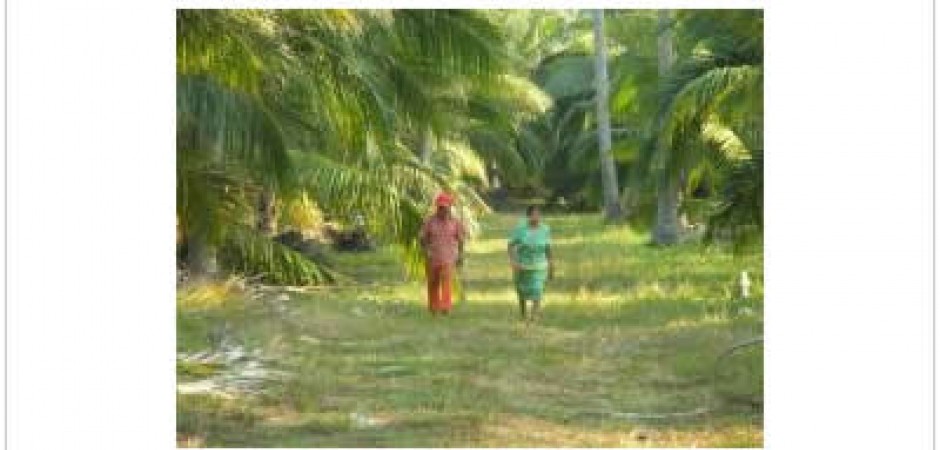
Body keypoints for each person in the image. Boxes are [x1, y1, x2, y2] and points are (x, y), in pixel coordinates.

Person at [419, 192, 466, 316]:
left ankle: (445, 307)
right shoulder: (429, 221)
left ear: (450, 208)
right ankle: (434, 307)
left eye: (445, 208)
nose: (442, 210)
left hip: (448, 258)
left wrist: (460, 255)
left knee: (446, 282)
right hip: (432, 258)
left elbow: (461, 240)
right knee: (433, 283)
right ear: (436, 207)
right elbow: (422, 239)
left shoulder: (455, 222)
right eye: (440, 207)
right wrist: (426, 251)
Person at [508, 205, 554, 322]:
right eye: (533, 215)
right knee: (522, 291)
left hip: (540, 266)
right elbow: (511, 245)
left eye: (538, 215)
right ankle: (523, 313)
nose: (536, 217)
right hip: (522, 265)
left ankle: (534, 316)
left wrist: (551, 265)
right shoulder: (520, 229)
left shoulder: (545, 229)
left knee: (537, 290)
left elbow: (548, 248)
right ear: (528, 216)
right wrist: (513, 261)